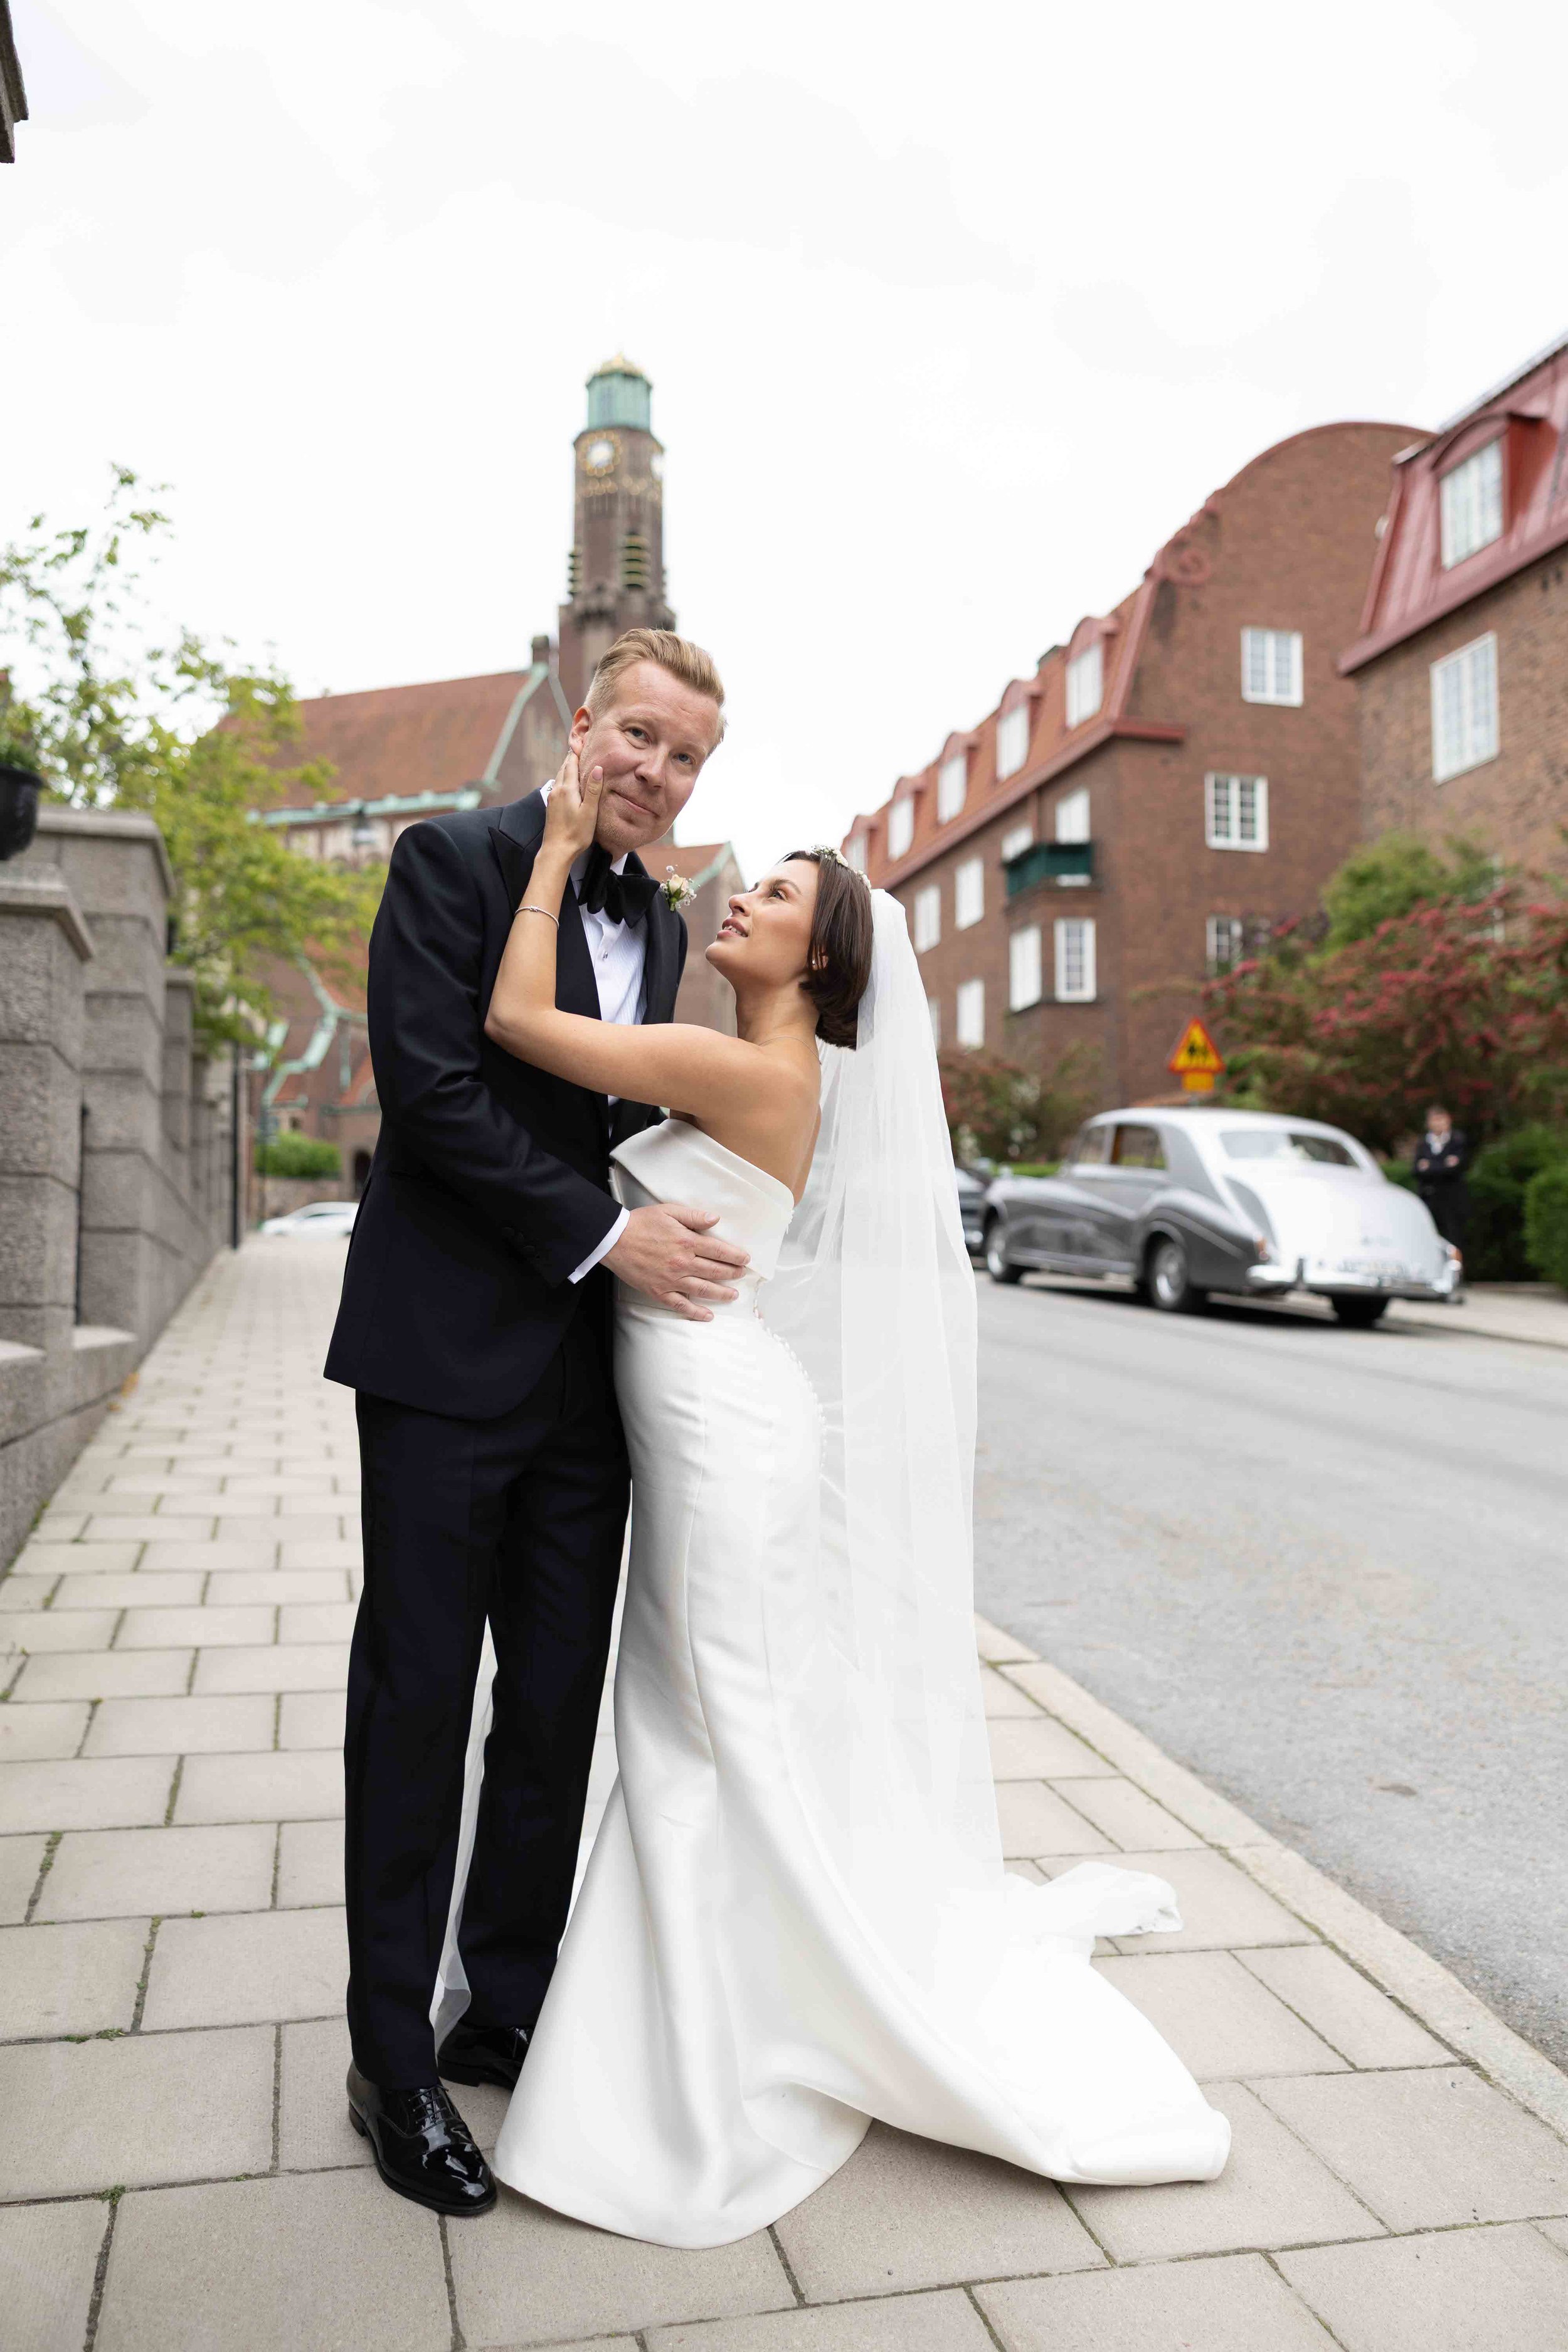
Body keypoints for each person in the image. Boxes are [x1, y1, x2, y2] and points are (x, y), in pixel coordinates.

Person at [448, 751, 1229, 2250]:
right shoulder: (742, 1055)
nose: (744, 899)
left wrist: (552, 849)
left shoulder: (754, 1067)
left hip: (721, 1428)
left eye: (780, 894)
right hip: (712, 1413)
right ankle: (693, 2010)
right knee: (698, 1722)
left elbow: (520, 1025)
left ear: (823, 956)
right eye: (753, 884)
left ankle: (712, 2055)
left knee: (710, 1725)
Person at [326, 630, 744, 2216]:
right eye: (640, 736)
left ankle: (505, 2004)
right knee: (418, 1700)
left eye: (687, 756)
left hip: (588, 1383)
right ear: (584, 723)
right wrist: (607, 1232)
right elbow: (430, 1094)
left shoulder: (668, 915)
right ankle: (391, 2060)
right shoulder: (450, 860)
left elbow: (621, 1112)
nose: (657, 771)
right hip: (441, 1358)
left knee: (556, 1704)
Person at [1412, 1104, 1470, 1254]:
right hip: (1429, 1198)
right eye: (1435, 1120)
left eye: (1441, 1119)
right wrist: (1443, 1164)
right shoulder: (1423, 1143)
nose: (1438, 1124)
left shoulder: (1457, 1140)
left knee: (1454, 1239)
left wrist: (1430, 1166)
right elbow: (1416, 1171)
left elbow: (1456, 1169)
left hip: (1452, 1200)